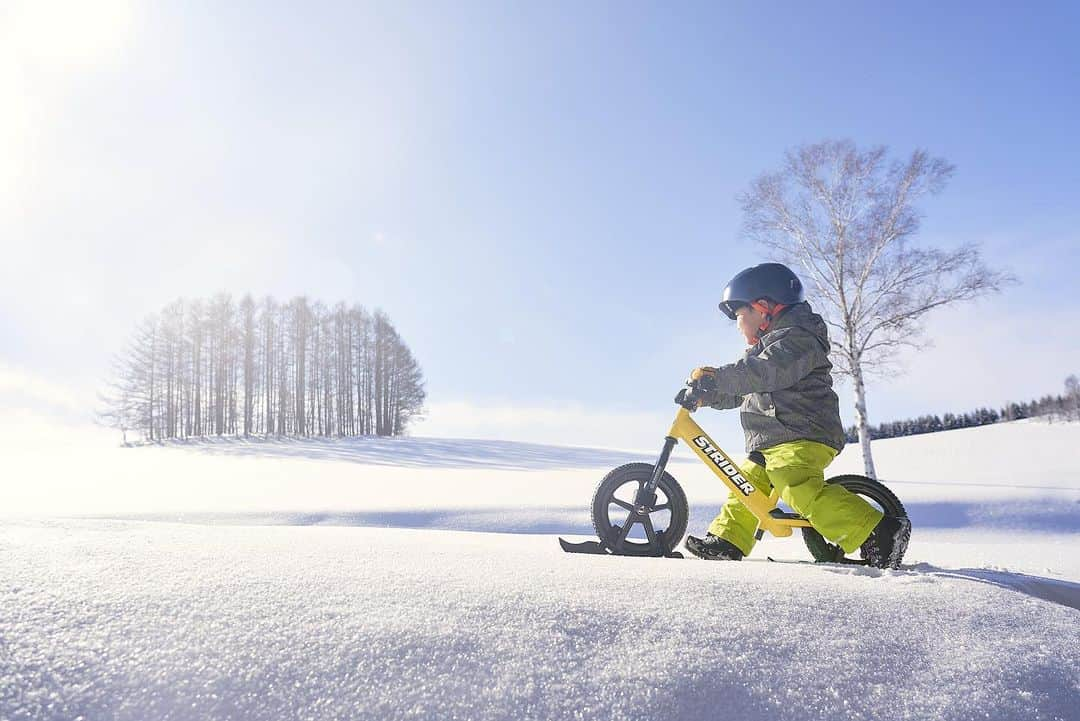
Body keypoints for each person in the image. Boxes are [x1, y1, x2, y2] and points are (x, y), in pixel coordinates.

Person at [681, 262, 910, 569]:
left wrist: (717, 376)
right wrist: (708, 394)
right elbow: (743, 389)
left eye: (739, 316)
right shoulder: (765, 349)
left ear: (763, 309)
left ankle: (879, 531)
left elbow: (764, 373)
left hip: (803, 433)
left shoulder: (797, 339)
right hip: (775, 439)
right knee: (747, 485)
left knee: (793, 482)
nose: (737, 325)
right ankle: (729, 540)